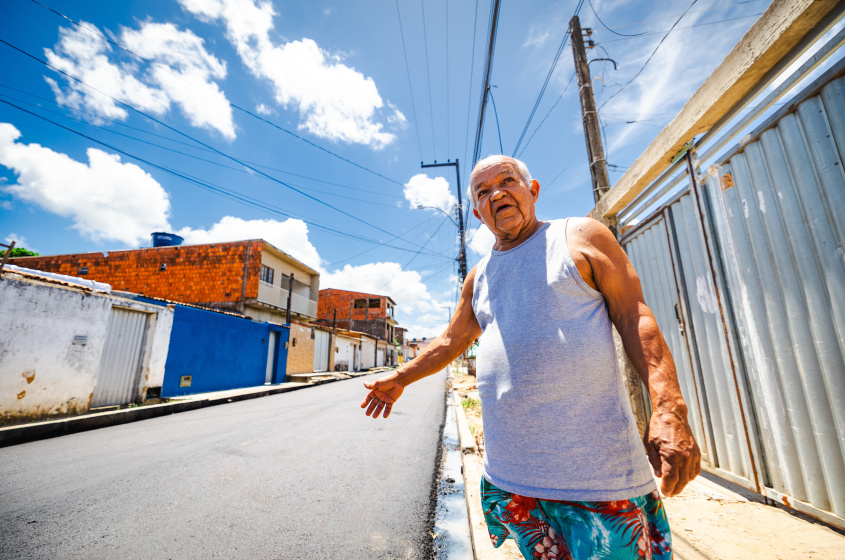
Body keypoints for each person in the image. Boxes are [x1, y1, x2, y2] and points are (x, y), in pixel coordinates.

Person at [361, 155, 700, 559]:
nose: (497, 194)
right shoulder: (481, 275)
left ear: (532, 190)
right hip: (515, 486)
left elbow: (635, 317)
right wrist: (400, 377)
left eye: (507, 182)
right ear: (477, 212)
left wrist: (669, 408)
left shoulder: (580, 237)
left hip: (599, 483)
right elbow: (451, 340)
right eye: (483, 192)